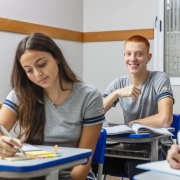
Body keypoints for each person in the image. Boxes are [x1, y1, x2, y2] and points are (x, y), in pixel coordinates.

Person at [0, 32, 105, 180]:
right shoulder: (20, 94)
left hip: (70, 176)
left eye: (42, 64)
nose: (37, 74)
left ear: (57, 58)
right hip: (31, 173)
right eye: (29, 70)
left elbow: (82, 165)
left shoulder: (89, 97)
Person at [92, 35, 174, 179]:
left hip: (158, 147)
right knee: (92, 162)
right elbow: (93, 114)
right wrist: (116, 94)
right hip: (128, 146)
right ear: (124, 56)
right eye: (129, 54)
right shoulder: (118, 84)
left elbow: (165, 118)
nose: (133, 59)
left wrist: (134, 124)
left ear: (148, 57)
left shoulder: (159, 79)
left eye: (139, 54)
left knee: (135, 166)